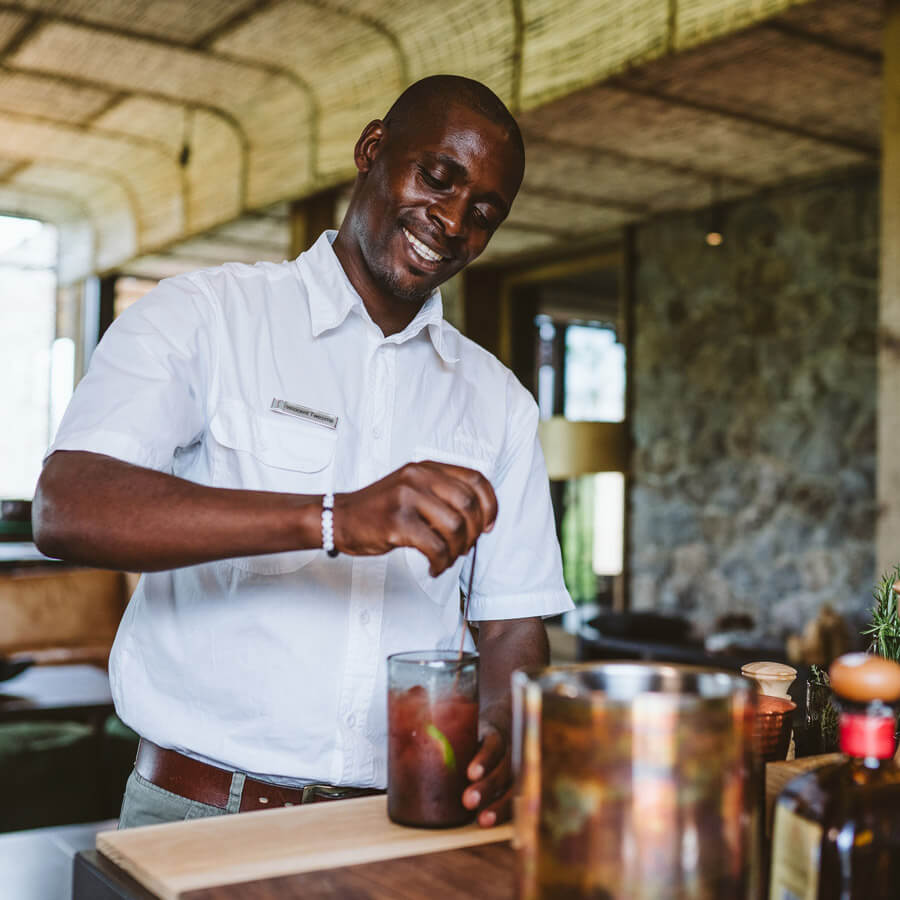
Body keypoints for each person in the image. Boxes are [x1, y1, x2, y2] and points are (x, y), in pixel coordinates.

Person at [33, 74, 572, 829]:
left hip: (399, 822)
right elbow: (67, 506)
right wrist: (333, 518)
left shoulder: (499, 401)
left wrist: (505, 727)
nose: (453, 221)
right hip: (200, 815)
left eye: (484, 213)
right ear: (372, 149)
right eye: (437, 176)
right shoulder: (206, 316)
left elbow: (512, 623)